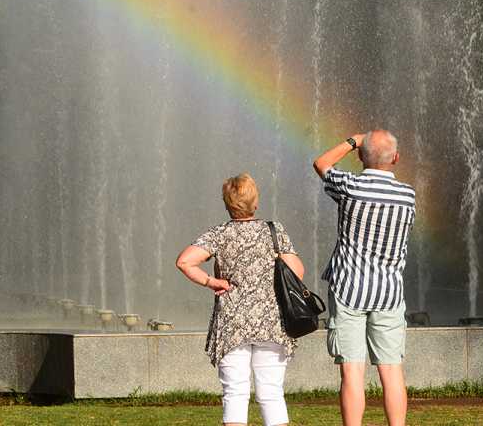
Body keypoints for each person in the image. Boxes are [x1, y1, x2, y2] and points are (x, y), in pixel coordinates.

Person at [176, 173, 305, 426]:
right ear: (255, 202)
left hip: (232, 324)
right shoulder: (274, 231)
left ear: (227, 204)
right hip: (271, 322)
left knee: (235, 394)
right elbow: (297, 272)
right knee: (272, 394)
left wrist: (212, 282)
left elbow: (184, 261)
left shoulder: (219, 234)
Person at [312, 130, 415, 426]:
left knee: (352, 371)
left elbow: (321, 163)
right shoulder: (407, 195)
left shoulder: (350, 187)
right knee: (391, 369)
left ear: (360, 156)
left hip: (349, 289)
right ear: (396, 158)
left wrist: (353, 141)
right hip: (388, 292)